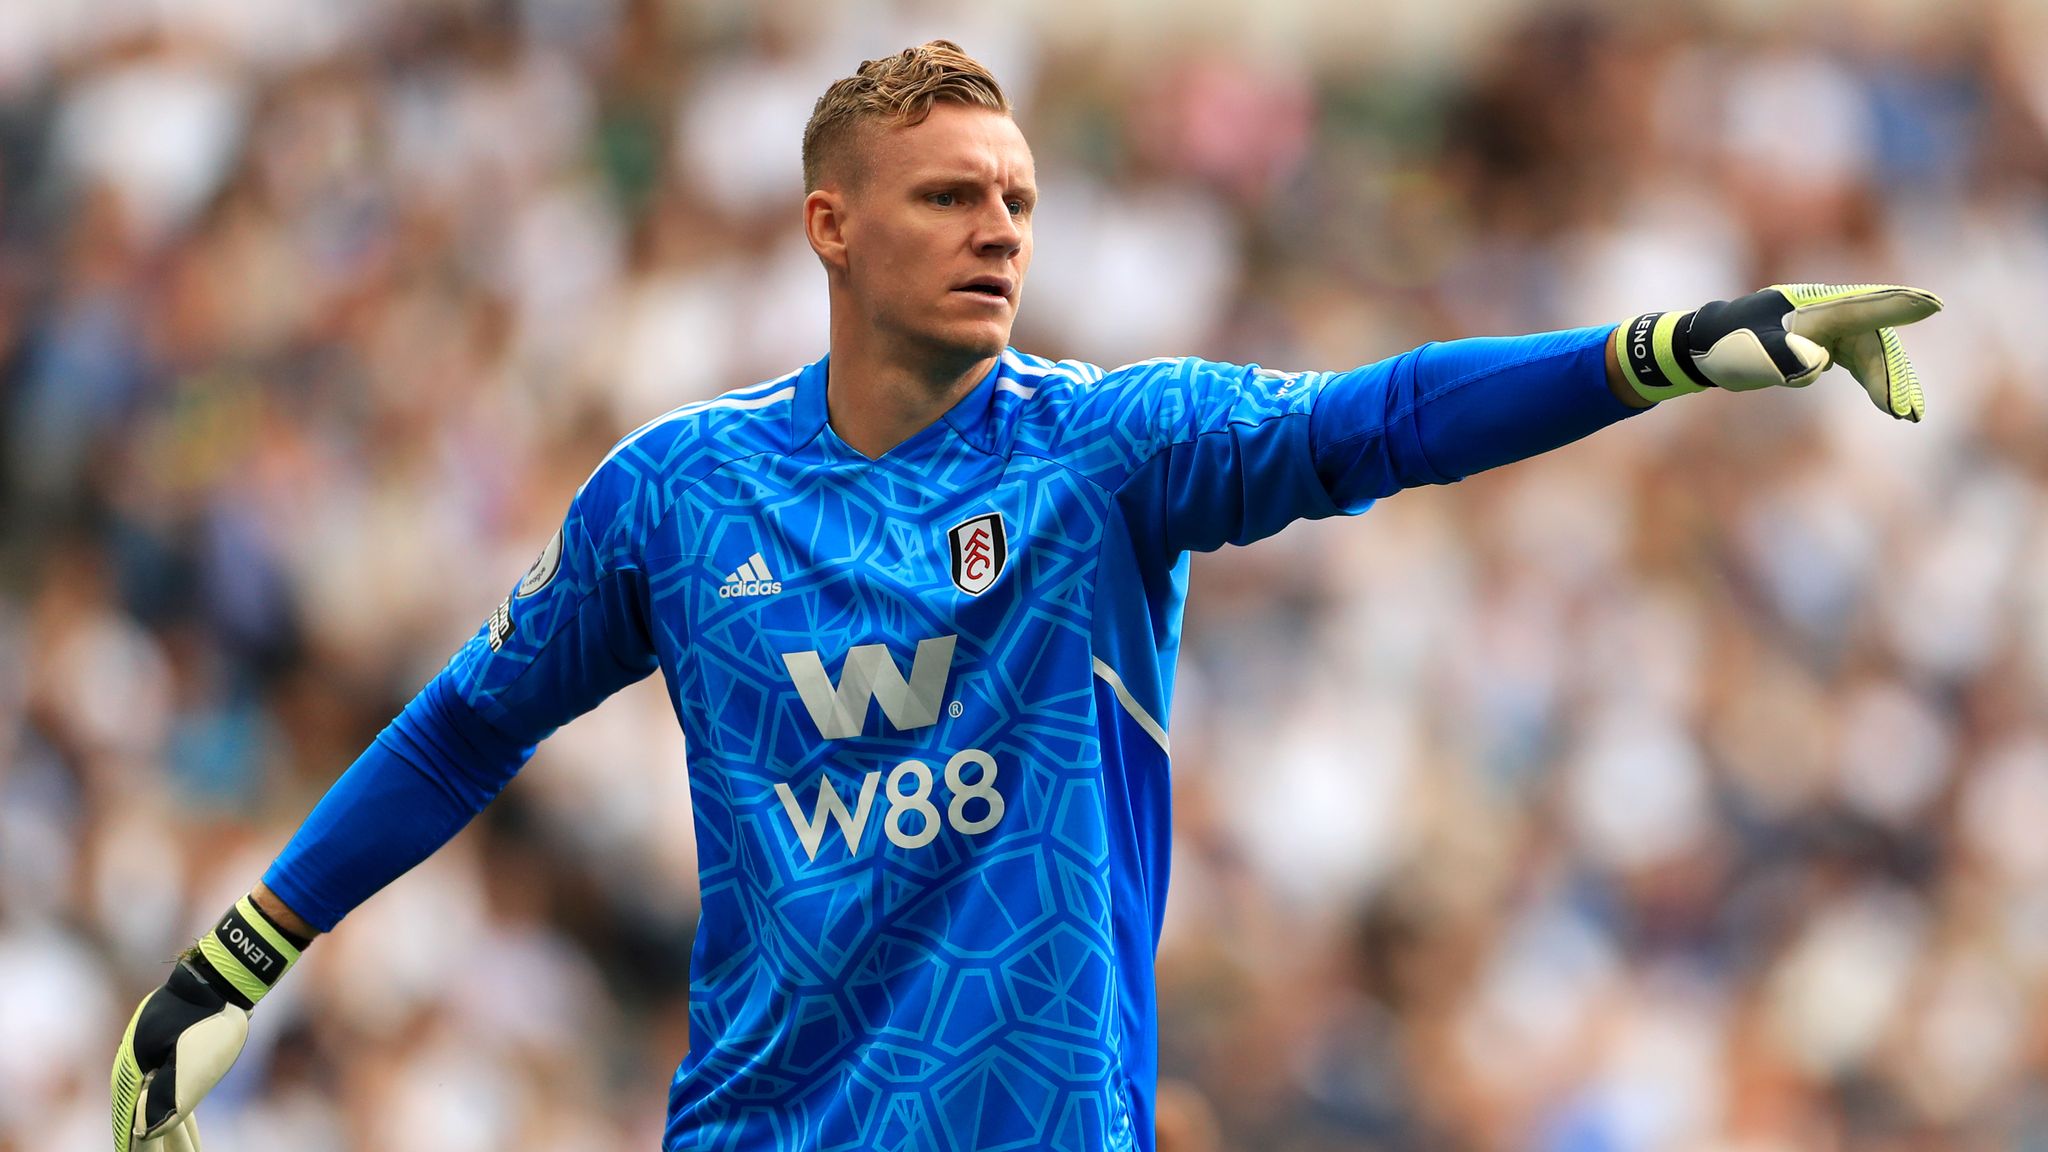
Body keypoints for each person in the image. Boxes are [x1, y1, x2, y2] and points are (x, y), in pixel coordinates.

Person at [111, 39, 1941, 1152]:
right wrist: (237, 960)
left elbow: (1380, 420)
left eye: (1019, 197)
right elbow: (463, 732)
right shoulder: (676, 498)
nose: (1001, 228)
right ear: (830, 224)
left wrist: (1673, 344)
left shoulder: (1106, 455)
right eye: (948, 197)